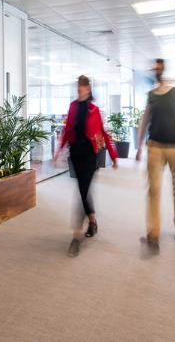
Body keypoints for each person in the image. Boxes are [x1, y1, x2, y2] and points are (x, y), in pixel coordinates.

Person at [136, 59, 175, 246]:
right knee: (153, 189)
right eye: (154, 68)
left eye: (159, 68)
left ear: (163, 70)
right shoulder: (151, 95)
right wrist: (138, 146)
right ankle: (153, 231)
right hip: (155, 146)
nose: (157, 70)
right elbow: (144, 121)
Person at [55, 75, 118, 257]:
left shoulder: (94, 109)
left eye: (83, 85)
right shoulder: (73, 106)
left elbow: (104, 133)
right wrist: (59, 151)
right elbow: (68, 131)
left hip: (90, 155)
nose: (79, 88)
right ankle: (92, 221)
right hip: (75, 153)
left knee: (82, 191)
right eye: (78, 85)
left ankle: (76, 237)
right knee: (84, 191)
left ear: (89, 88)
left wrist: (113, 155)